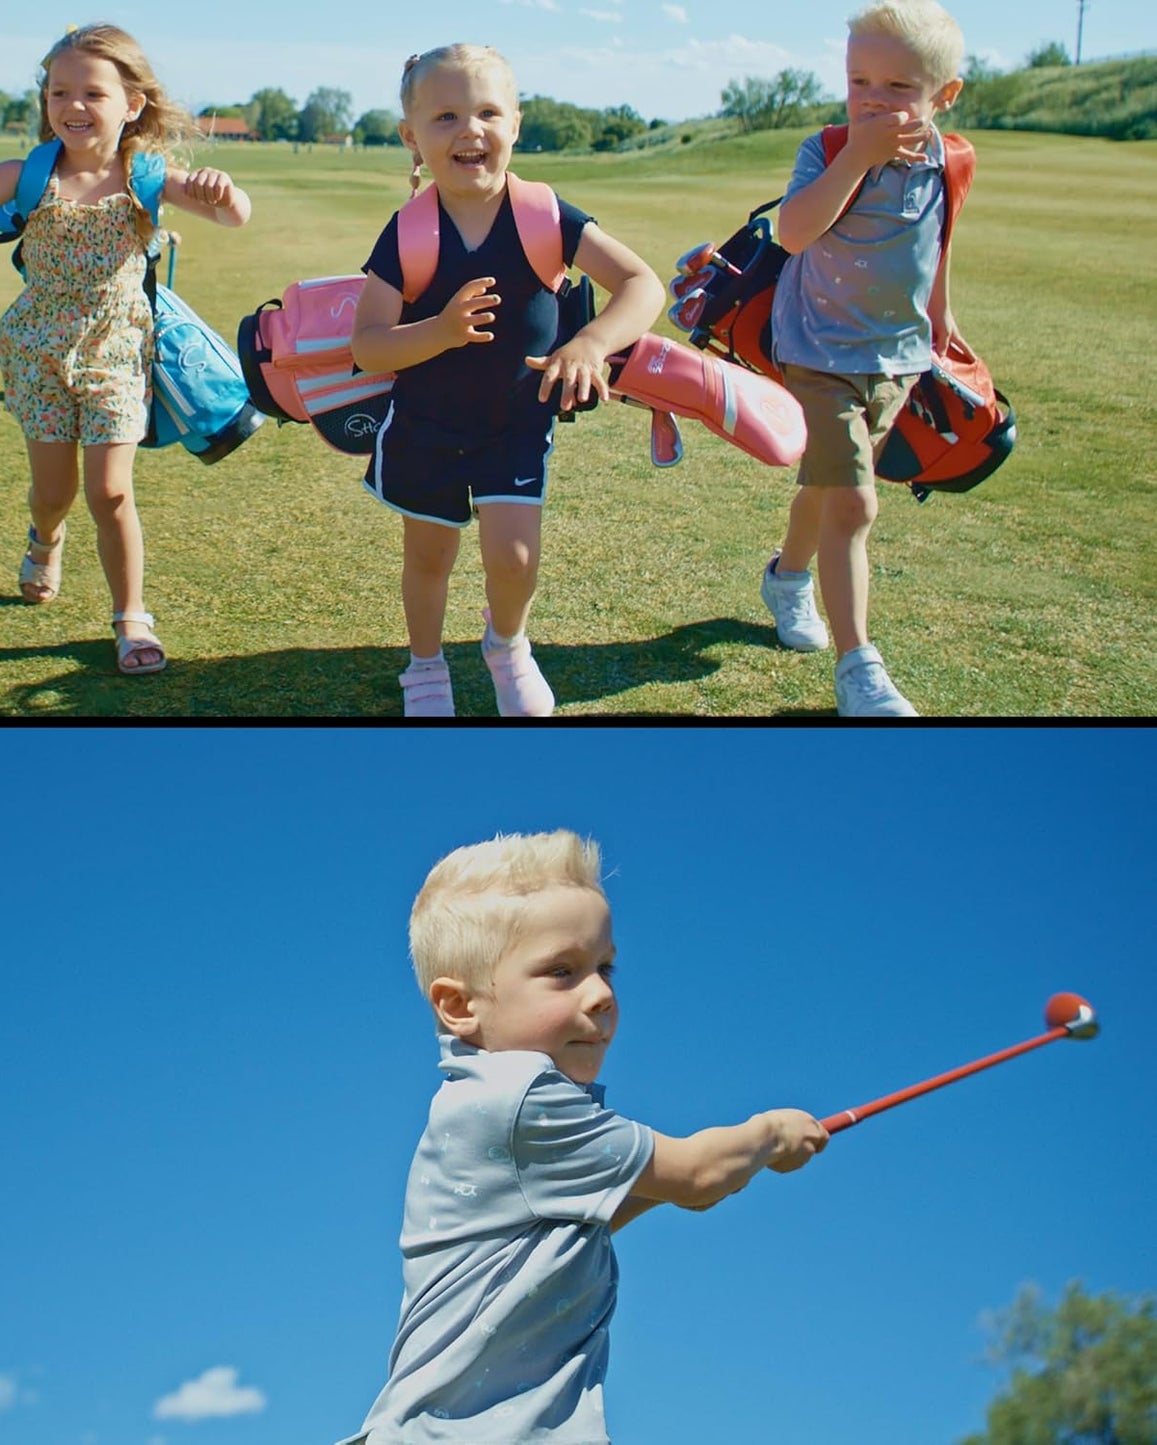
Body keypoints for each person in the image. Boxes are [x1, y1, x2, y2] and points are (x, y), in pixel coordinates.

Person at [337, 830, 827, 1443]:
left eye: (604, 968)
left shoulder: (485, 1105)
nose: (601, 994)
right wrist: (769, 1134)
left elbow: (567, 1233)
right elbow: (699, 1172)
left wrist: (684, 1184)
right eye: (562, 972)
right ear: (460, 1006)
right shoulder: (519, 1100)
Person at [0, 24, 251, 676]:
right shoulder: (27, 174)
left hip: (117, 353)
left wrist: (225, 193)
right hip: (37, 354)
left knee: (110, 493)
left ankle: (131, 618)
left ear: (131, 104)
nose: (73, 105)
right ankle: (45, 538)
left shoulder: (145, 177)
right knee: (53, 492)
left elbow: (233, 216)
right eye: (59, 92)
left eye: (92, 92)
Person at [350, 47, 665, 719]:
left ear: (515, 125)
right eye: (445, 116)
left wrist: (590, 343)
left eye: (488, 112)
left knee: (515, 557)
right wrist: (440, 331)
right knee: (429, 556)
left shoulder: (544, 215)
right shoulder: (407, 232)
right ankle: (425, 666)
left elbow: (642, 285)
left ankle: (507, 645)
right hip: (425, 427)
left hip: (517, 423)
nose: (470, 129)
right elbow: (369, 346)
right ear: (411, 136)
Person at [760, 0, 968, 716]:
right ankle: (859, 671)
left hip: (896, 358)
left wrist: (940, 315)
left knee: (827, 489)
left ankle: (787, 578)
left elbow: (938, 239)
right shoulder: (827, 149)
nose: (873, 100)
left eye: (898, 87)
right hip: (816, 350)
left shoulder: (949, 158)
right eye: (859, 83)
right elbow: (792, 233)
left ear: (943, 95)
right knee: (854, 500)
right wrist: (858, 156)